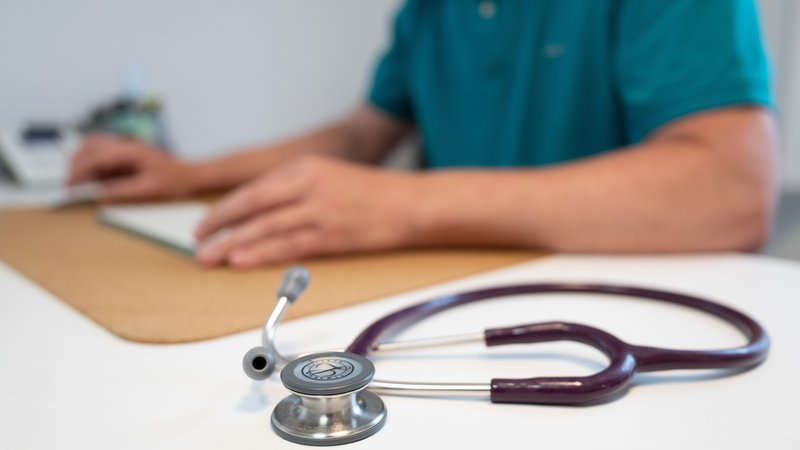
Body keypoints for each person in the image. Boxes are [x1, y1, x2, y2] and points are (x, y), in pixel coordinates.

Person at [67, 0, 778, 269]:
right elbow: (356, 138)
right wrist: (186, 174)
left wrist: (405, 204)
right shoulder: (427, 13)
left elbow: (731, 189)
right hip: (439, 287)